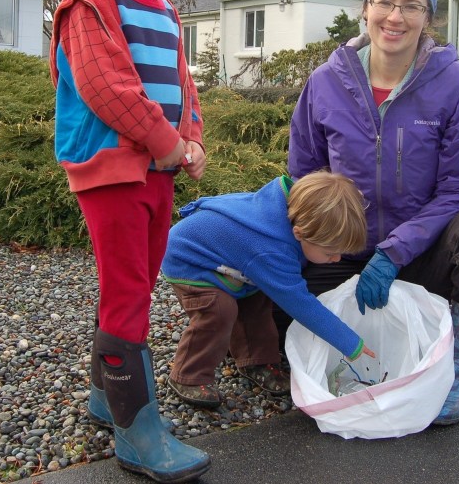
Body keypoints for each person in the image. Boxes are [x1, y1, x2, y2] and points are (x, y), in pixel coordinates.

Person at [286, 0, 459, 426]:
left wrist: (396, 251)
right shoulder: (324, 83)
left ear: (428, 16)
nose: (395, 17)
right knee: (287, 331)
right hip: (344, 255)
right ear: (366, 7)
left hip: (423, 256)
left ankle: (454, 366)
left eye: (412, 6)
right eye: (385, 2)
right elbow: (304, 176)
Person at [48, 0, 210, 482]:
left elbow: (181, 84)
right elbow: (105, 87)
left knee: (136, 284)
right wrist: (166, 144)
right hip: (114, 169)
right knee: (126, 290)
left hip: (158, 171)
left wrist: (190, 139)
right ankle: (137, 434)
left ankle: (104, 398)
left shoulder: (165, 8)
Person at [160, 171, 373, 408]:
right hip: (189, 262)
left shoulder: (291, 213)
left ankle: (256, 360)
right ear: (299, 234)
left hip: (228, 260)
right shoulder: (270, 249)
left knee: (258, 301)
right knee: (219, 311)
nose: (337, 259)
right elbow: (301, 304)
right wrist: (350, 343)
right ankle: (188, 375)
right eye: (329, 252)